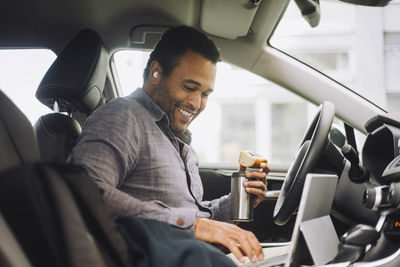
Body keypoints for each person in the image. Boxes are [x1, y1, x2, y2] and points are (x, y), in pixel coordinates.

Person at [68, 25, 270, 264]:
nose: (196, 103)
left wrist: (237, 201)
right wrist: (192, 225)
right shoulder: (122, 117)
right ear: (156, 73)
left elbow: (188, 216)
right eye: (190, 87)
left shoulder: (175, 137)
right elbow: (84, 190)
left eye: (205, 94)